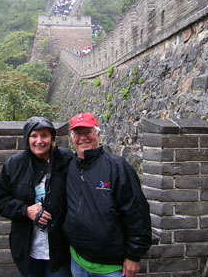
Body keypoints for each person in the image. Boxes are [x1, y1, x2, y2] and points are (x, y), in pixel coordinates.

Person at [63, 113, 152, 277]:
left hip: (111, 266)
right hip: (78, 260)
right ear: (72, 138)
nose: (83, 138)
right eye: (77, 133)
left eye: (87, 132)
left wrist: (134, 255)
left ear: (98, 133)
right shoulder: (70, 166)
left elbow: (137, 213)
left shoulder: (117, 167)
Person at [0, 117, 73, 277]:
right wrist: (25, 210)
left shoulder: (65, 159)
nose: (39, 141)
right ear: (27, 138)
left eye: (45, 135)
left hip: (60, 248)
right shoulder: (14, 165)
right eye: (34, 136)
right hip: (28, 249)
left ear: (52, 138)